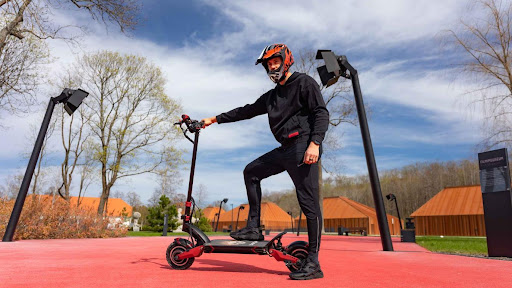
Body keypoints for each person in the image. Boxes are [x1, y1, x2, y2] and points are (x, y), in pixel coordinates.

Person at [201, 44, 328, 280]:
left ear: (286, 60)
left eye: (275, 61)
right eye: (268, 64)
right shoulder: (271, 97)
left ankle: (313, 263)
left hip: (303, 146)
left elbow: (321, 112)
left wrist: (315, 143)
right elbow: (246, 111)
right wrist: (215, 119)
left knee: (308, 203)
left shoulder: (304, 83)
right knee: (251, 171)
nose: (272, 66)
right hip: (285, 149)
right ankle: (253, 228)